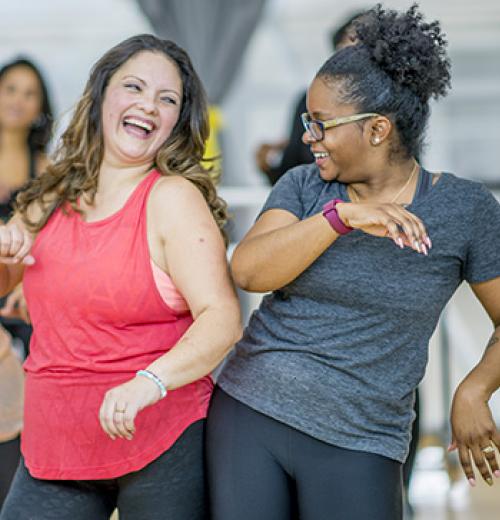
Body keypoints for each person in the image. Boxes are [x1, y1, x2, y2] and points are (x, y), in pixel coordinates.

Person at [207, 5, 500, 520]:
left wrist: (475, 390)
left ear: (377, 130)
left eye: (320, 124)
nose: (308, 137)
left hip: (364, 437)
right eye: (307, 121)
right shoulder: (304, 187)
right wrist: (339, 217)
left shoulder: (465, 210)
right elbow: (249, 270)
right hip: (252, 409)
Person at [0, 34, 241, 520]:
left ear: (177, 120)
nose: (148, 106)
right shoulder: (52, 192)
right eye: (134, 87)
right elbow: (6, 288)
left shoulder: (173, 197)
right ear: (102, 95)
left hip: (160, 434)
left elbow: (221, 318)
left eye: (167, 99)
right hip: (56, 438)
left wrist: (150, 382)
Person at [0, 57, 53, 509]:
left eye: (28, 92)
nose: (17, 99)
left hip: (23, 302)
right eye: (9, 88)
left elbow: (53, 243)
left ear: (40, 107)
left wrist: (26, 285)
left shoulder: (48, 168)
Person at [255, 11, 366, 185]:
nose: (308, 137)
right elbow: (290, 169)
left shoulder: (395, 105)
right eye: (343, 49)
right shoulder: (308, 101)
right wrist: (267, 165)